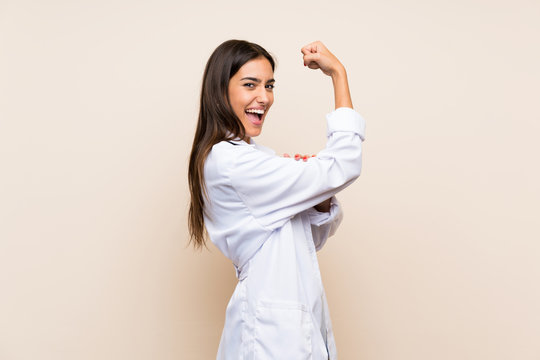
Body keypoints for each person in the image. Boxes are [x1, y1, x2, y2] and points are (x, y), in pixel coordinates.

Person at [188, 39, 366, 359]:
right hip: (271, 336)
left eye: (269, 85)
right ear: (220, 90)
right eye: (250, 84)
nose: (264, 97)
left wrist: (318, 198)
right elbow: (343, 164)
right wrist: (338, 74)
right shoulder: (232, 164)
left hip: (289, 326)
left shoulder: (256, 159)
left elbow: (307, 239)